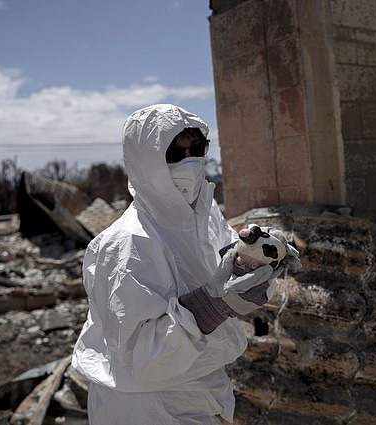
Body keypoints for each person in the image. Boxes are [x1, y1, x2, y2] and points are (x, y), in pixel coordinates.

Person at [71, 104, 298, 424]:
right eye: (175, 153)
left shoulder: (202, 219)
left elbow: (229, 283)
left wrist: (260, 263)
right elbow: (138, 358)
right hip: (146, 408)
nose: (190, 161)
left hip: (197, 391)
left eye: (197, 149)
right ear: (146, 159)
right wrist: (209, 307)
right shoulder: (125, 244)